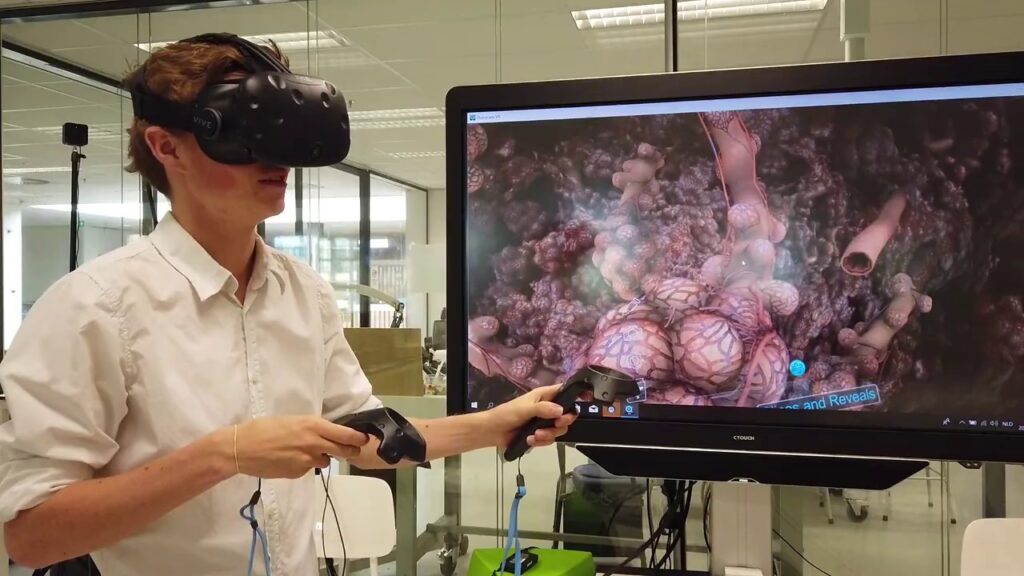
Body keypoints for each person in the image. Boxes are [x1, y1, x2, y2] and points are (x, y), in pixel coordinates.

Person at [0, 35, 574, 575]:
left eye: (282, 132)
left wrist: (496, 425)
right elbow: (31, 535)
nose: (276, 158)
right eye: (244, 135)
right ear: (165, 145)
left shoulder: (303, 292)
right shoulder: (95, 309)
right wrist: (224, 454)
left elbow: (370, 438)